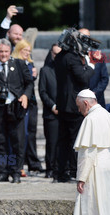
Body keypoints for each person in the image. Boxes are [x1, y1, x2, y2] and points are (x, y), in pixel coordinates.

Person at [0, 38, 34, 183]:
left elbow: (29, 83)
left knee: (17, 142)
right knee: (0, 142)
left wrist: (25, 96)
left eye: (5, 51)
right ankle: (3, 171)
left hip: (15, 109)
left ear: (10, 51)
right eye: (0, 51)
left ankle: (16, 172)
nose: (3, 54)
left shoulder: (19, 64)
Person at [54, 34, 95, 182]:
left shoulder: (59, 57)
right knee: (74, 139)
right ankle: (73, 170)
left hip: (63, 104)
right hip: (72, 106)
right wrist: (91, 65)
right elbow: (83, 78)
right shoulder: (72, 58)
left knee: (64, 140)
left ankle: (61, 171)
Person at [12, 39, 43, 174]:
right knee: (21, 133)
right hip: (20, 101)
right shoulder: (15, 62)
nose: (27, 53)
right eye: (25, 50)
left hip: (31, 102)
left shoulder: (30, 63)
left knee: (31, 133)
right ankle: (20, 164)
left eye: (29, 51)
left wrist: (34, 77)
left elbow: (30, 82)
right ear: (19, 49)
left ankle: (31, 162)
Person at [39, 44, 60, 179]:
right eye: (55, 53)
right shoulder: (45, 70)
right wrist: (53, 106)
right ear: (51, 54)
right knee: (52, 142)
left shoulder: (66, 70)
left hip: (65, 112)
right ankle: (50, 168)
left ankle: (61, 167)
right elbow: (42, 92)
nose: (57, 56)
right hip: (51, 113)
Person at [80, 28, 109, 107]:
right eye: (83, 37)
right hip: (80, 101)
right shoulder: (74, 57)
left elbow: (104, 78)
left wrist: (94, 93)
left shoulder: (97, 55)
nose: (86, 40)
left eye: (87, 37)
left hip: (97, 100)